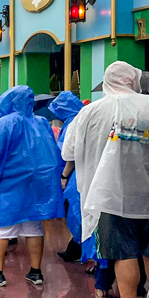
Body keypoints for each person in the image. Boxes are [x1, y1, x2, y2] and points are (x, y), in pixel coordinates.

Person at [63, 62, 149, 298]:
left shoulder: (90, 111)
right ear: (133, 80)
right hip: (147, 191)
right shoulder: (148, 105)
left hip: (109, 194)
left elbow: (68, 153)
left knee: (124, 252)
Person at [0, 85, 64, 287]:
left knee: (1, 226)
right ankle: (36, 272)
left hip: (8, 183)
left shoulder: (5, 123)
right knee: (33, 225)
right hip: (37, 183)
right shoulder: (42, 123)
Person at [49, 92, 94, 264]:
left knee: (77, 213)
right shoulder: (84, 118)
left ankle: (87, 254)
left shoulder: (73, 123)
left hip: (77, 174)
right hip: (88, 172)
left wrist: (63, 176)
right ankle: (76, 249)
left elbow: (69, 154)